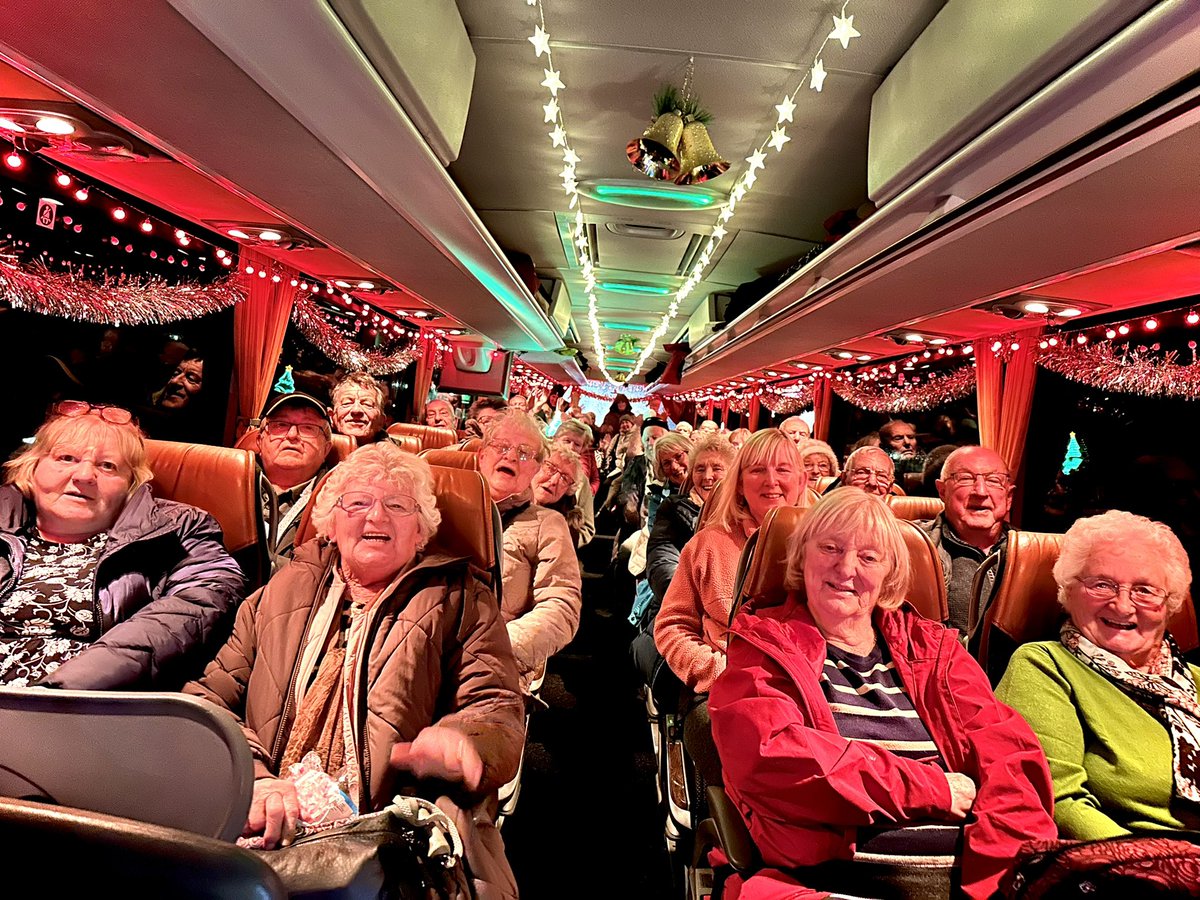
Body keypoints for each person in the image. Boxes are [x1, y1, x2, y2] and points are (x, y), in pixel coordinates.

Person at [184, 444, 524, 896]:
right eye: (358, 502)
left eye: (397, 505)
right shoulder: (283, 588)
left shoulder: (461, 598)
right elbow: (207, 699)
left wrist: (464, 740)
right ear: (331, 522)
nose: (376, 517)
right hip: (264, 814)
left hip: (390, 829)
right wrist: (254, 777)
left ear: (421, 530)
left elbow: (496, 708)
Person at [710, 488, 1056, 900]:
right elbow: (774, 758)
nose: (846, 567)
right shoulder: (766, 644)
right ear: (802, 557)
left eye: (869, 557)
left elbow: (1010, 760)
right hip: (831, 883)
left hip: (970, 881)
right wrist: (935, 788)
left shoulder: (935, 649)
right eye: (830, 547)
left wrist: (1003, 878)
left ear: (890, 575)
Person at [0, 401, 244, 688]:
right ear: (32, 468)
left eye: (107, 466)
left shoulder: (182, 529)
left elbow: (197, 605)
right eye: (66, 458)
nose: (84, 476)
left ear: (131, 484)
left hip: (87, 714)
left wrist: (55, 695)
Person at [997, 510, 1200, 839]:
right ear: (1068, 592)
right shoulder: (1044, 666)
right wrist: (1153, 865)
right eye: (1102, 585)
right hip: (1128, 867)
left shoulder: (1196, 683)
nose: (1122, 606)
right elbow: (1059, 802)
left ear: (1171, 603)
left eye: (1145, 590)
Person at [655, 429, 807, 787]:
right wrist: (717, 672)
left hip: (807, 689)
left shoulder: (829, 545)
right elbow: (672, 626)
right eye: (757, 470)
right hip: (723, 684)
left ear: (801, 480)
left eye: (783, 470)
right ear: (739, 484)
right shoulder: (708, 544)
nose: (771, 481)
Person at [477, 412, 582, 692]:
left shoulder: (549, 523)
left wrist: (495, 648)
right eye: (501, 447)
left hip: (492, 664)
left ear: (533, 468)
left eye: (524, 453)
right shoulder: (440, 502)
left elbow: (561, 606)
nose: (510, 457)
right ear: (481, 455)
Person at [917, 446, 1013, 638]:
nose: (981, 491)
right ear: (942, 491)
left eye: (993, 481)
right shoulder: (911, 546)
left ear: (1009, 497)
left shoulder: (1035, 554)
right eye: (966, 479)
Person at [255, 393, 334, 573]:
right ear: (260, 441)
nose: (292, 435)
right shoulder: (227, 485)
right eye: (280, 425)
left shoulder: (340, 503)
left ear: (326, 449)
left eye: (308, 427)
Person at [531, 445, 590, 547]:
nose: (554, 481)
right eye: (550, 468)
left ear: (568, 490)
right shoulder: (505, 501)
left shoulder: (565, 531)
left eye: (564, 478)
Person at [329, 372, 388, 444]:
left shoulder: (397, 454)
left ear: (381, 421)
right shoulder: (316, 449)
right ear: (331, 416)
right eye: (346, 403)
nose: (356, 410)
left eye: (367, 404)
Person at [554, 419, 600, 496]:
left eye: (577, 444)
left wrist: (588, 492)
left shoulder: (581, 479)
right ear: (555, 439)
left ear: (582, 449)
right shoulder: (538, 463)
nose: (571, 447)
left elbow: (595, 479)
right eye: (567, 441)